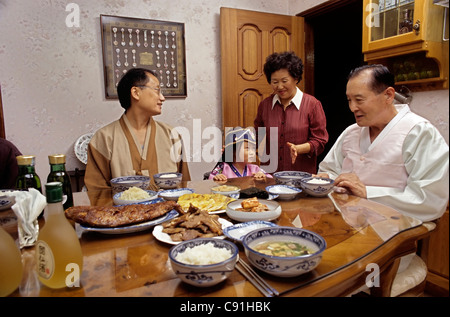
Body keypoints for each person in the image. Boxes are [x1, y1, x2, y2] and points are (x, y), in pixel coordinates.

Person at [318, 64, 449, 223]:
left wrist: (368, 193)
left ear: (388, 95)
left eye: (359, 100)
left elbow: (429, 200)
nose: (352, 107)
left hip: (395, 233)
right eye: (349, 100)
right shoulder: (351, 132)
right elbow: (330, 170)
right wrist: (326, 179)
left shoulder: (419, 133)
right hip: (345, 225)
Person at [85, 68, 190, 191]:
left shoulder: (172, 135)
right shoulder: (104, 138)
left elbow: (184, 186)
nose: (162, 98)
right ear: (135, 92)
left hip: (169, 209)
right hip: (123, 210)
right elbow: (96, 193)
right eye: (157, 90)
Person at [254, 51, 328, 174]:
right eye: (275, 82)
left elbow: (320, 141)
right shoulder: (265, 106)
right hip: (269, 176)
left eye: (284, 81)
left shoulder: (312, 105)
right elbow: (258, 137)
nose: (280, 86)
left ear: (296, 78)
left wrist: (298, 148)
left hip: (301, 176)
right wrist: (234, 147)